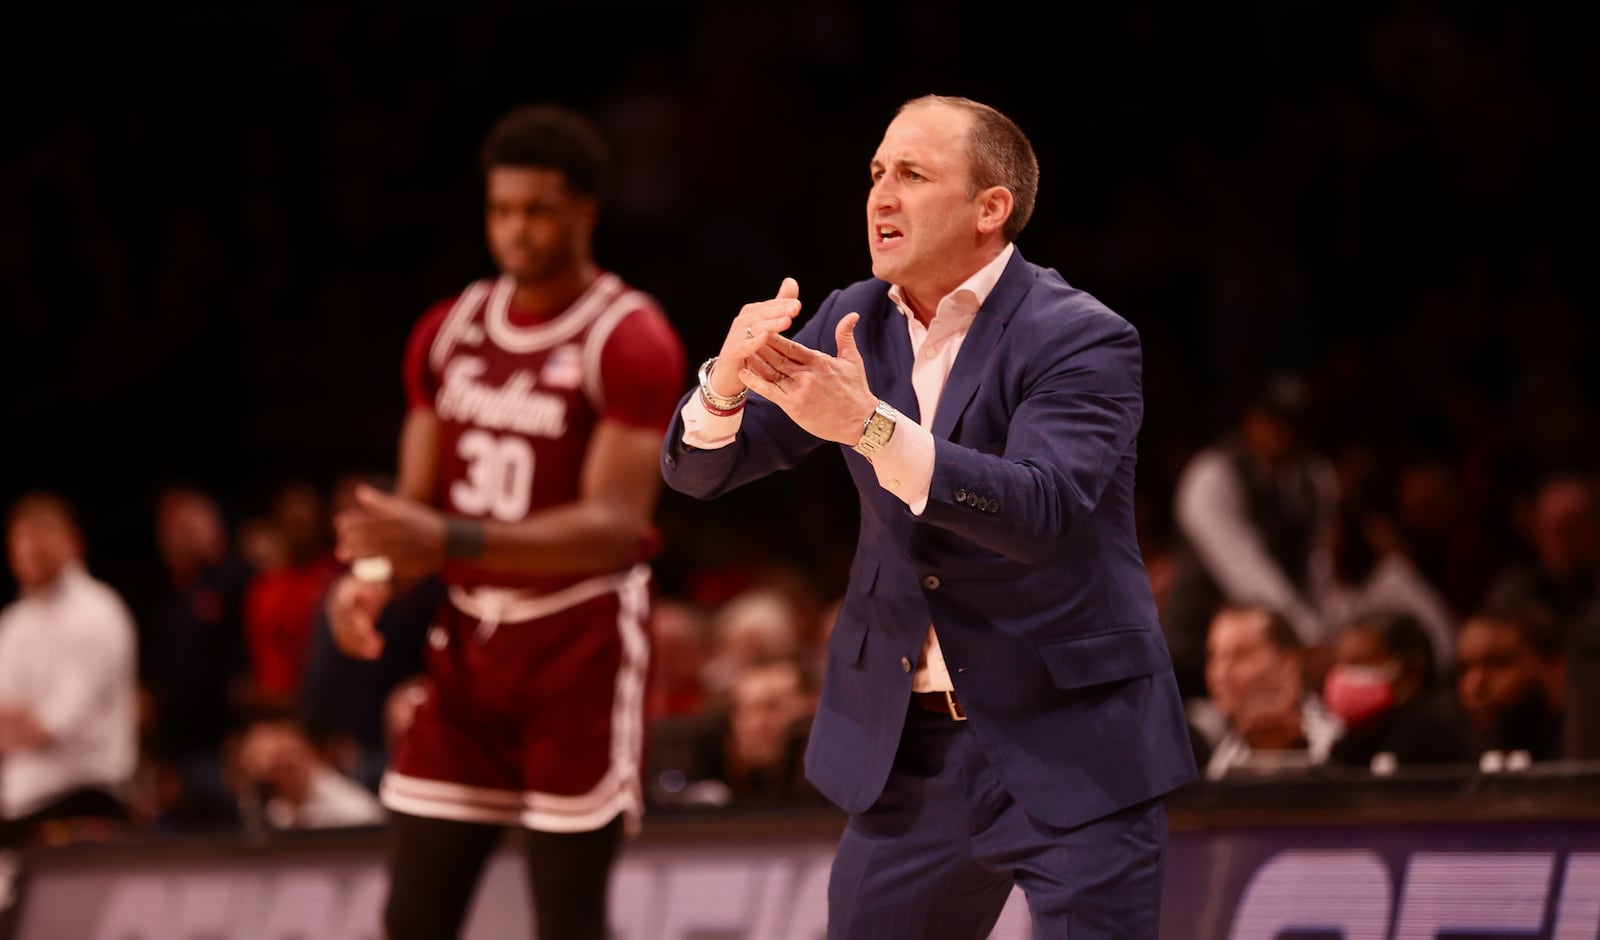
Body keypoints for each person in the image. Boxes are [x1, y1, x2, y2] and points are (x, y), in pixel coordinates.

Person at [660, 94, 1196, 939]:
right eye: (876, 174)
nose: (881, 196)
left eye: (912, 174)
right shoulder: (854, 320)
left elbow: (1039, 508)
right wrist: (722, 385)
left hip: (1072, 740)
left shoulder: (1081, 337)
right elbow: (700, 472)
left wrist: (871, 428)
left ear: (992, 208)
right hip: (906, 753)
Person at [327, 101, 686, 940]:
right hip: (470, 648)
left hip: (580, 644)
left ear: (583, 213)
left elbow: (611, 526)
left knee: (567, 920)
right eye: (500, 210)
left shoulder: (627, 337)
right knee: (412, 917)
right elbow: (415, 500)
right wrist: (373, 578)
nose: (515, 230)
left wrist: (445, 542)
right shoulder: (448, 331)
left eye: (536, 210)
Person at [0, 492, 138, 846]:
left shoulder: (97, 612)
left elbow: (54, 725)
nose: (32, 548)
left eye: (43, 537)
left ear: (72, 543)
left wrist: (22, 726)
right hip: (19, 803)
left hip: (83, 799)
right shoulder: (14, 623)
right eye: (23, 539)